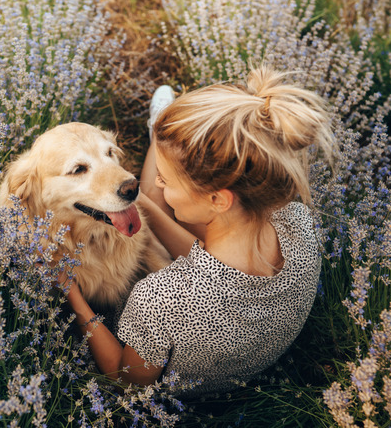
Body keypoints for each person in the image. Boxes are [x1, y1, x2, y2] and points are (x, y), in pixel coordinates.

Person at [58, 66, 335, 397]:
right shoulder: (297, 220)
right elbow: (209, 262)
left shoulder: (157, 299)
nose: (155, 183)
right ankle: (174, 151)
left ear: (218, 199)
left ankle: (164, 145)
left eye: (165, 178)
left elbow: (126, 378)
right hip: (260, 353)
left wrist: (73, 297)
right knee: (158, 198)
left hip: (186, 391)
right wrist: (146, 203)